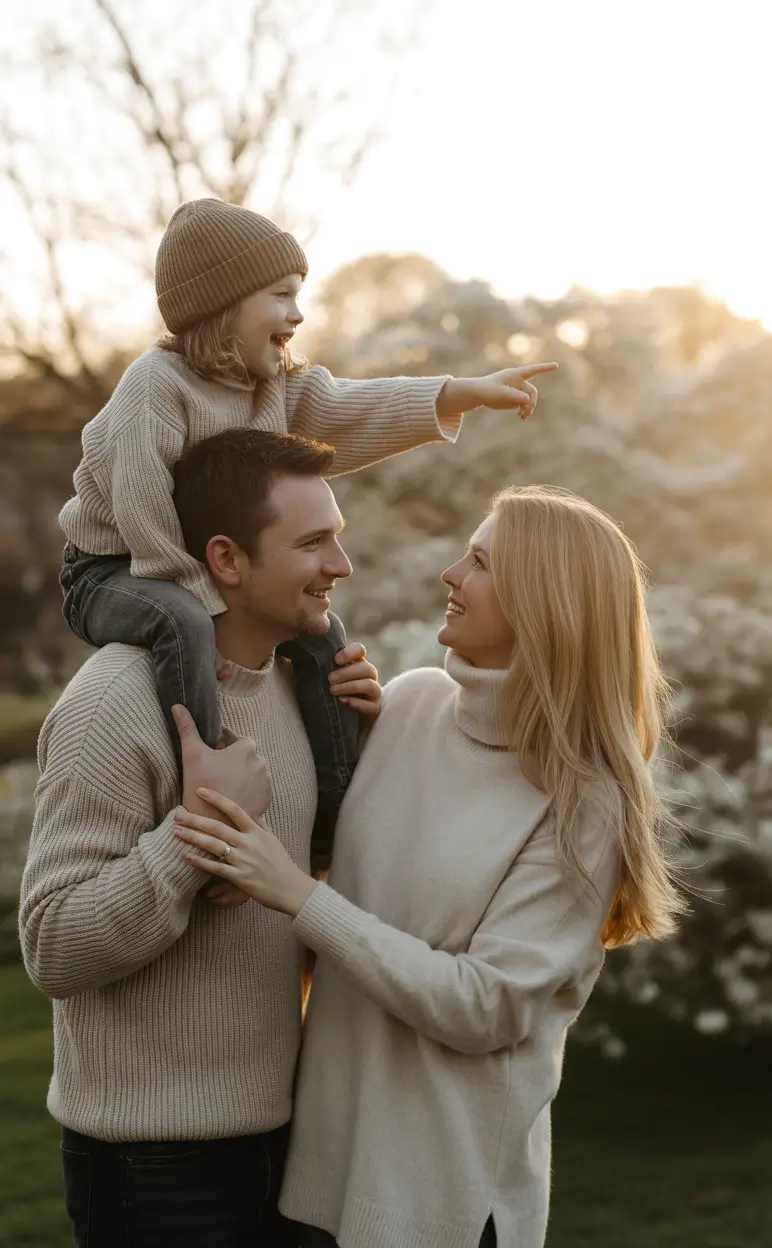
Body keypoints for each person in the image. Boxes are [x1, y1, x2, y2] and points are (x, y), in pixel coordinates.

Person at [173, 484, 687, 1248]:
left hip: (438, 1206)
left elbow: (484, 1009)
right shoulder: (409, 705)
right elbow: (362, 876)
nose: (451, 574)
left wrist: (296, 895)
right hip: (315, 1177)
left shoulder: (585, 803)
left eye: (479, 562)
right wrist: (328, 734)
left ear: (544, 603)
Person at [58, 195, 558, 851]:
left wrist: (458, 391)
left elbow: (348, 409)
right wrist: (204, 602)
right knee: (181, 624)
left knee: (327, 643)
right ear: (223, 303)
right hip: (117, 568)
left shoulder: (274, 387)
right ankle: (210, 796)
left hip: (205, 567)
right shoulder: (155, 387)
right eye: (281, 295)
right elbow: (141, 502)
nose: (297, 313)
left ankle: (329, 827)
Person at [19, 430, 383, 1248]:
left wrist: (367, 745)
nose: (341, 566)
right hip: (155, 1170)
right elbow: (50, 946)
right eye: (312, 543)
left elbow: (308, 884)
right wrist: (196, 839)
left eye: (339, 538)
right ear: (226, 559)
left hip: (289, 1140)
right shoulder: (113, 703)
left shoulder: (304, 691)